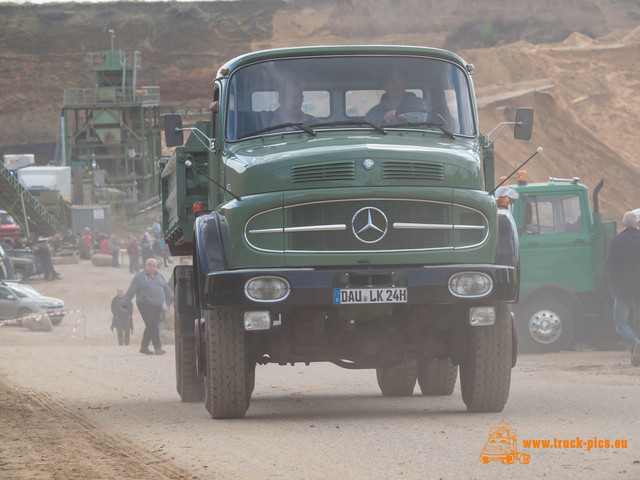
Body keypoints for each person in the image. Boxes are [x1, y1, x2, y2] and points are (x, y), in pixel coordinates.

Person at [605, 210, 640, 366]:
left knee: (620, 321)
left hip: (623, 288)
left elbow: (610, 266)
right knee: (638, 321)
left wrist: (614, 281)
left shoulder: (617, 240)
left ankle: (634, 344)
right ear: (637, 224)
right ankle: (636, 354)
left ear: (623, 224)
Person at [122, 258, 173, 355]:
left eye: (153, 266)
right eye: (149, 265)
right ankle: (158, 348)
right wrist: (125, 303)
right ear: (145, 266)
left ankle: (144, 347)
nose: (151, 267)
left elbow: (166, 288)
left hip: (158, 305)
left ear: (156, 267)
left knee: (150, 325)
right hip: (144, 304)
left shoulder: (160, 276)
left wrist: (172, 298)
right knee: (153, 325)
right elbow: (131, 290)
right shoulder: (139, 277)